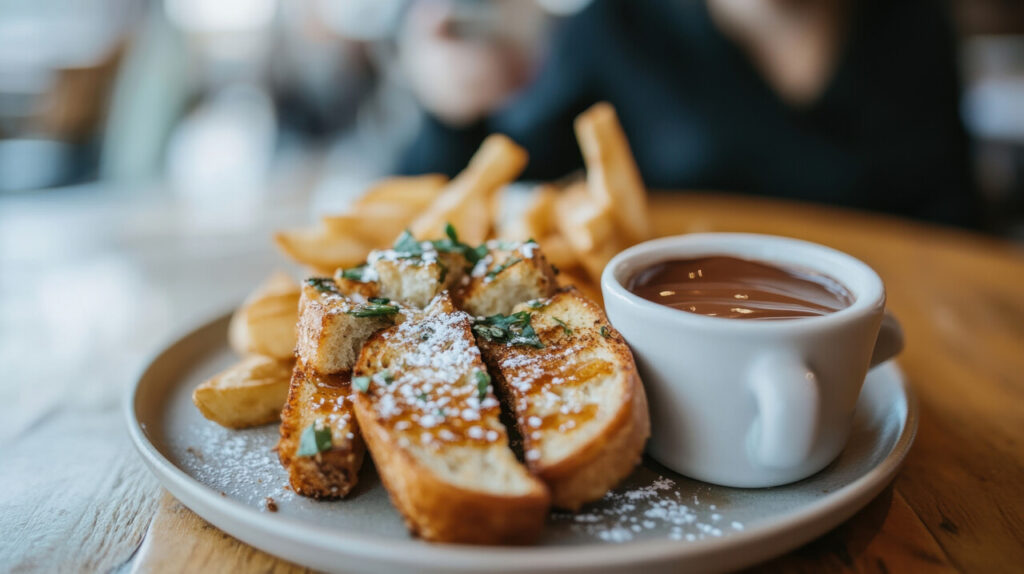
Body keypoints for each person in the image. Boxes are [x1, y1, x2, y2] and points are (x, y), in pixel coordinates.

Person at [397, 0, 977, 227]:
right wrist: (450, 112)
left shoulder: (916, 24)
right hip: (675, 324)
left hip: (892, 337)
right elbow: (484, 178)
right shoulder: (619, 25)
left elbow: (956, 211)